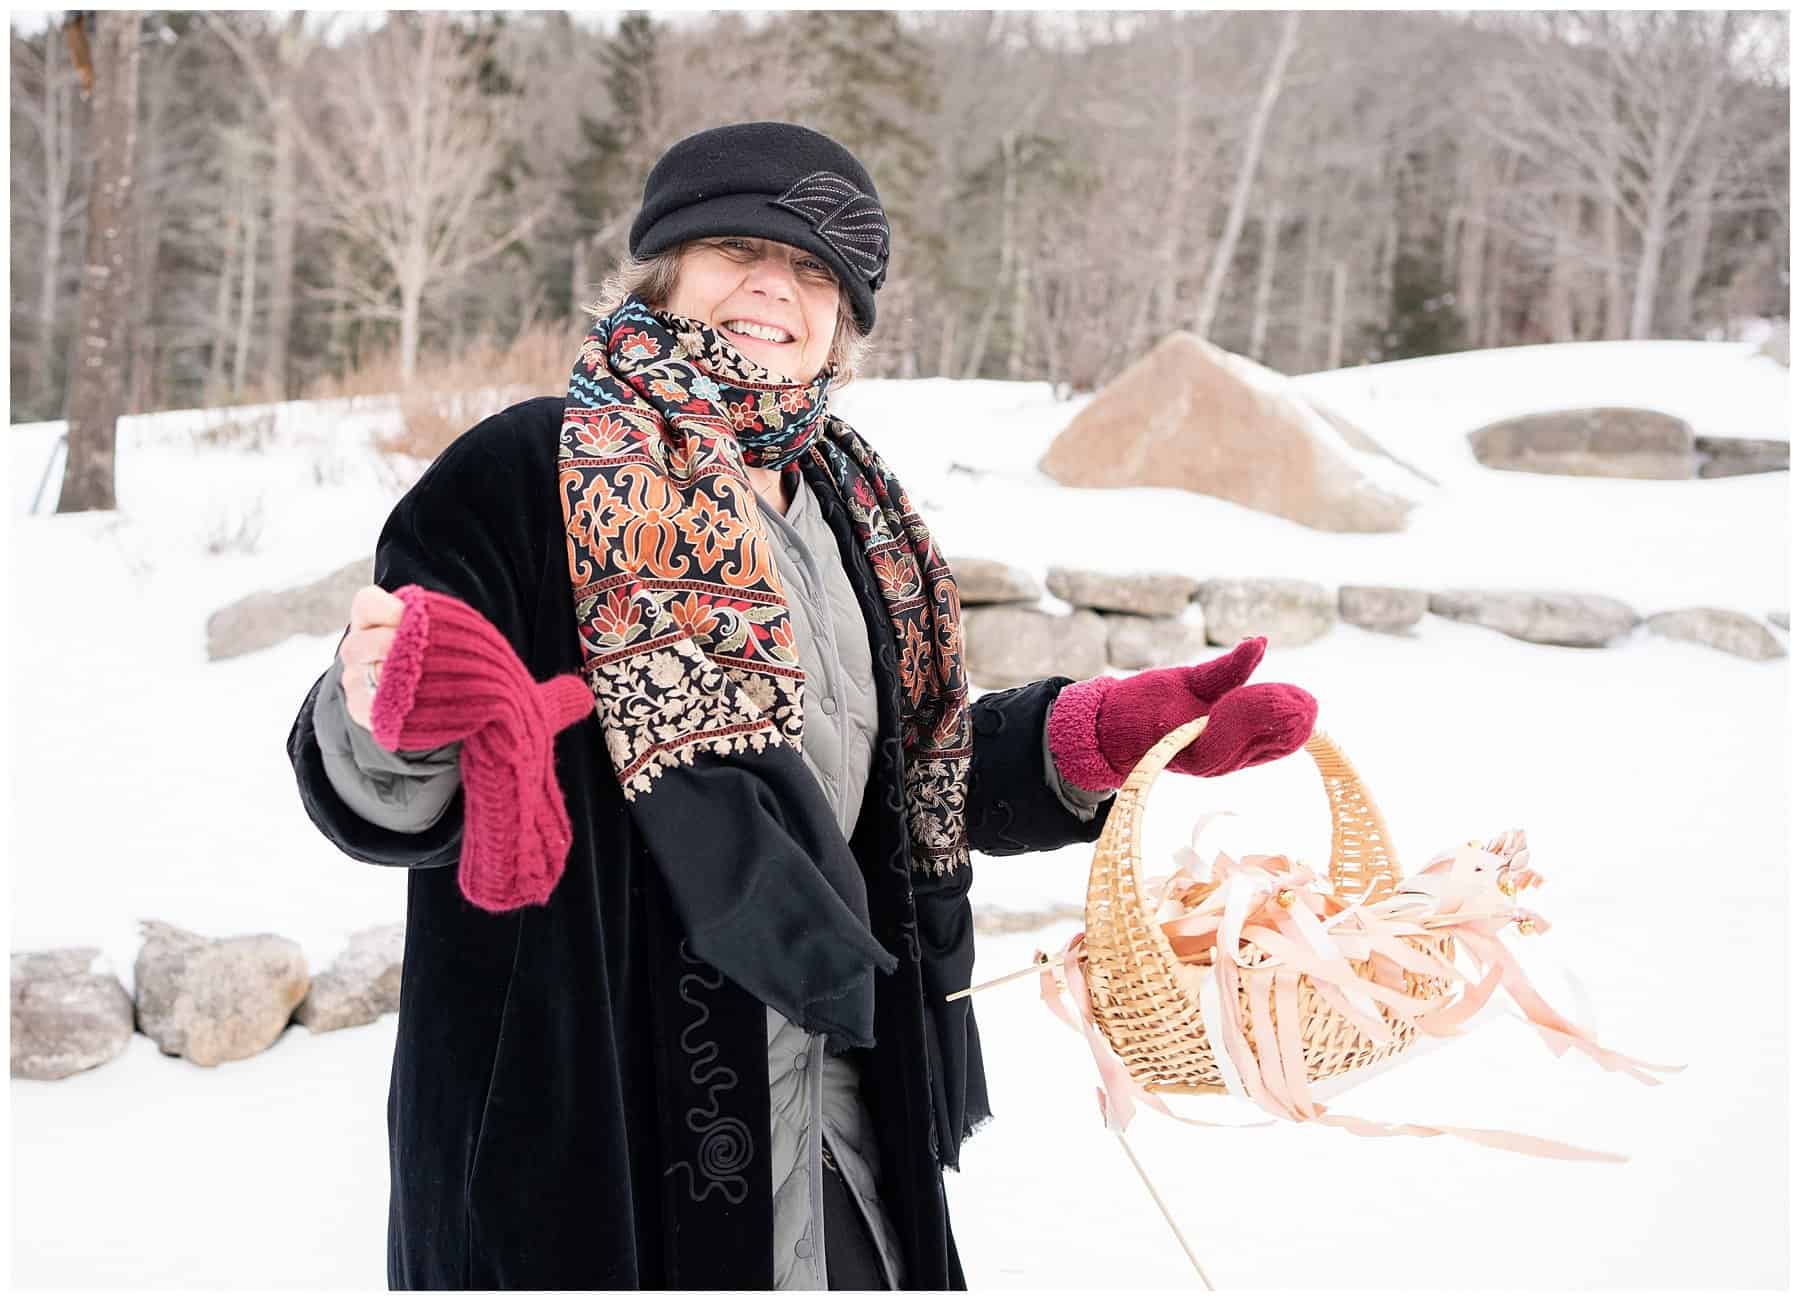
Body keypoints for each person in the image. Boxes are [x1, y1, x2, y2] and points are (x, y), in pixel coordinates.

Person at [285, 120, 1317, 1291]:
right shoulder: (529, 472)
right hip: (591, 1147)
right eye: (737, 247)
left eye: (816, 268)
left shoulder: (857, 513)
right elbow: (396, 778)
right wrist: (377, 714)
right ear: (666, 270)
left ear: (845, 318)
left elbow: (893, 786)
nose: (776, 282)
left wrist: (1102, 736)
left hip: (839, 1119)